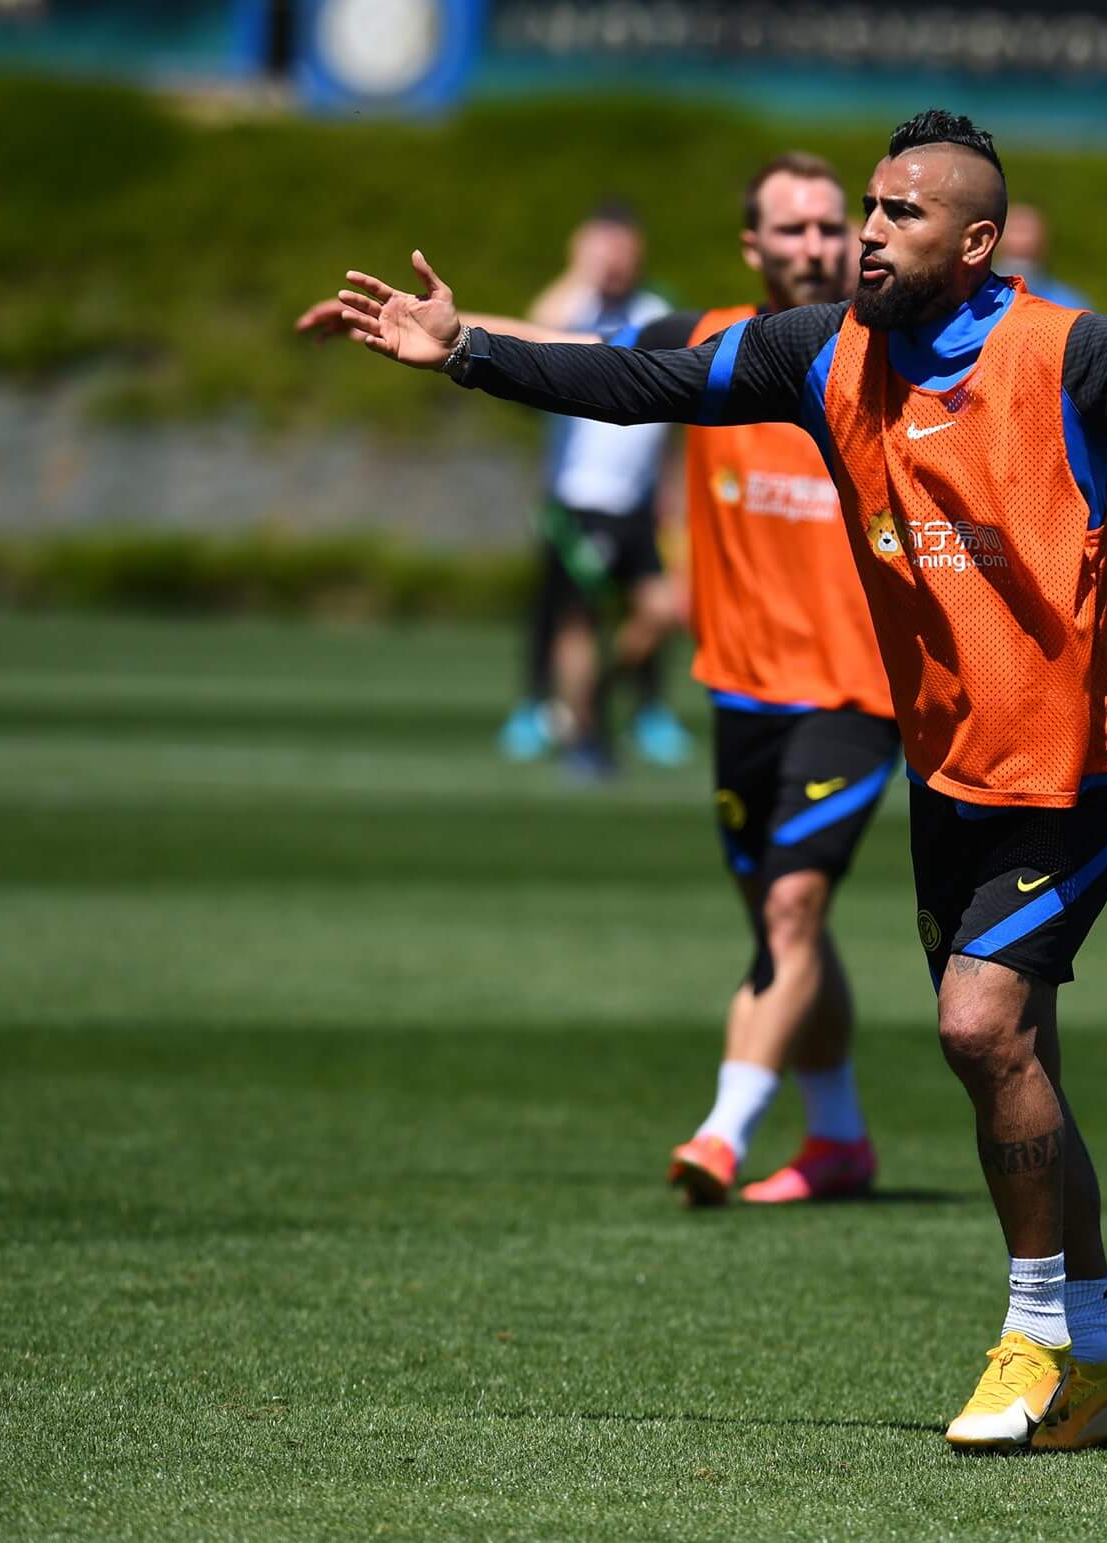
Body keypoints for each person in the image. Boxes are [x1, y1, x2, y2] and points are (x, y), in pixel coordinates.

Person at [319, 108, 1107, 1452]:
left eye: (900, 213)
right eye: (867, 207)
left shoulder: (1062, 352)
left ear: (978, 241)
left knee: (976, 1026)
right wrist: (470, 354)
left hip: (1079, 768)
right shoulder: (819, 352)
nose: (867, 231)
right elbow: (642, 381)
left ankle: (1029, 1336)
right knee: (1018, 1059)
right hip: (951, 766)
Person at [300, 155, 898, 1205]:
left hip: (859, 691)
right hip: (742, 690)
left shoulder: (895, 351)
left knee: (794, 909)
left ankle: (722, 1131)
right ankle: (840, 1136)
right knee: (783, 919)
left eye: (826, 227)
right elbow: (581, 355)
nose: (814, 245)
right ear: (751, 248)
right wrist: (452, 336)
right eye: (789, 230)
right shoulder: (713, 344)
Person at [508, 203, 690, 774]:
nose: (613, 260)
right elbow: (536, 320)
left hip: (638, 507)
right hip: (579, 502)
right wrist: (581, 270)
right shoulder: (574, 306)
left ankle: (591, 702)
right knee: (576, 620)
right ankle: (581, 736)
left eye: (621, 247)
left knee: (661, 612)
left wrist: (674, 497)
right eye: (602, 247)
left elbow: (676, 416)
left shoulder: (654, 310)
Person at [993, 202, 1091, 311]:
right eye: (1016, 230)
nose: (1021, 242)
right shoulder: (977, 296)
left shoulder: (1070, 303)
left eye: (1027, 231)